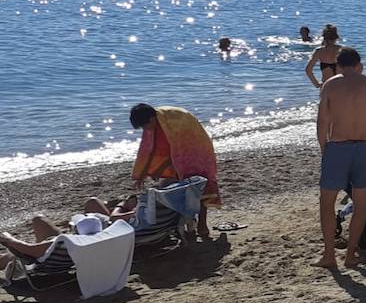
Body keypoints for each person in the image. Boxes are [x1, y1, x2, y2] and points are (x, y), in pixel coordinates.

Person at [316, 47, 366, 269]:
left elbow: (323, 121)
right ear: (358, 64)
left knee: (327, 203)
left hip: (338, 145)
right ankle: (350, 254)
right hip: (365, 147)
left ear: (338, 65)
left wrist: (324, 147)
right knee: (360, 204)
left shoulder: (331, 85)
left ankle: (329, 255)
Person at [130, 103, 220, 239]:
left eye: (145, 126)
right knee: (177, 187)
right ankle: (186, 223)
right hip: (177, 153)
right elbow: (148, 149)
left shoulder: (173, 121)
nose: (145, 130)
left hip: (196, 146)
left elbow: (179, 151)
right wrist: (141, 175)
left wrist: (159, 169)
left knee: (199, 185)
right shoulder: (152, 124)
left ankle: (202, 225)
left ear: (151, 119)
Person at [0, 200, 137, 261]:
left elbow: (30, 250)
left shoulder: (66, 241)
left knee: (10, 258)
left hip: (47, 262)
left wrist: (8, 238)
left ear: (75, 230)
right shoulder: (104, 239)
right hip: (75, 257)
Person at [306, 24, 342, 89]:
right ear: (336, 37)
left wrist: (316, 84)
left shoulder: (319, 51)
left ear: (324, 37)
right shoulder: (342, 50)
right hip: (340, 86)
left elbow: (308, 70)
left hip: (326, 86)